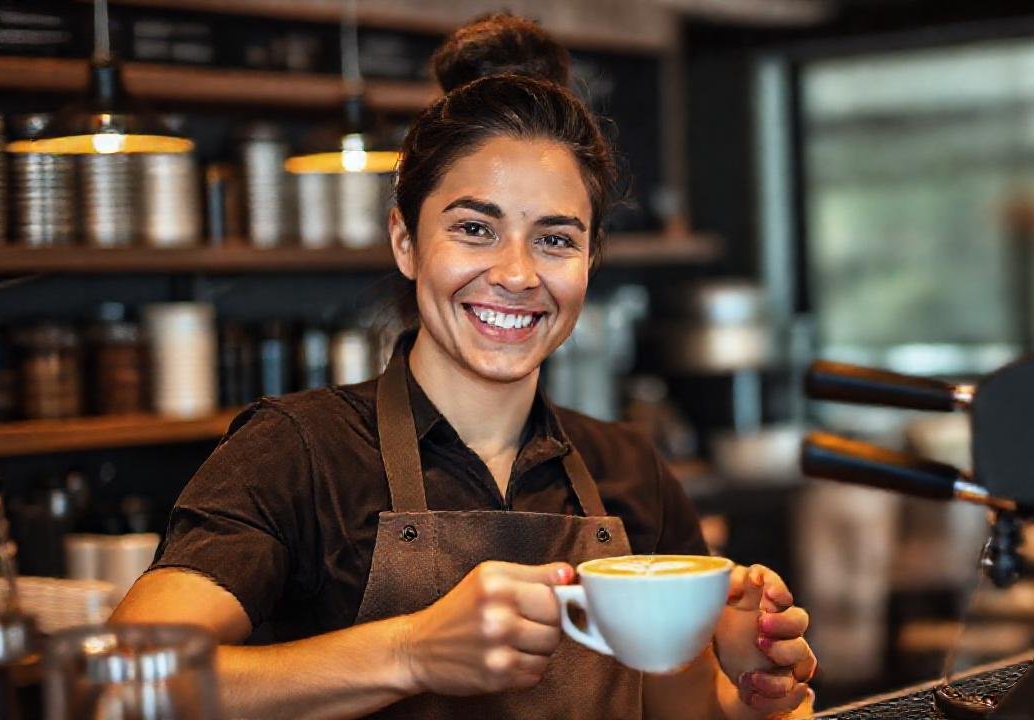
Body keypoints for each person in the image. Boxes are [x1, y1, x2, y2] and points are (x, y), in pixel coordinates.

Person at [112, 13, 816, 719]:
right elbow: (126, 682)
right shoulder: (297, 453)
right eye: (475, 229)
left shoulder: (630, 470)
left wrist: (741, 689)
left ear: (590, 260)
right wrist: (410, 651)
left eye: (555, 239)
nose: (516, 274)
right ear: (406, 241)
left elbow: (676, 708)